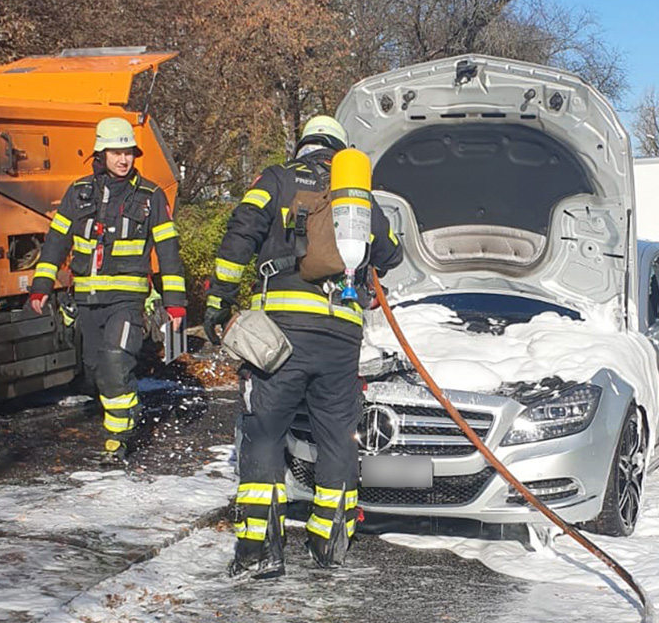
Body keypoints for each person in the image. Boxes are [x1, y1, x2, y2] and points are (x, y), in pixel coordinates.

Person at [203, 115, 403, 581]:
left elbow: (241, 233)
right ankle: (328, 544)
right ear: (339, 152)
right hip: (341, 336)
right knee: (336, 436)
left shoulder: (276, 179)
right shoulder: (357, 198)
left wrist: (218, 299)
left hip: (281, 334)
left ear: (304, 147)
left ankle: (259, 552)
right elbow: (391, 253)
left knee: (264, 432)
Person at [28, 117, 186, 462]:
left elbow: (169, 252)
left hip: (127, 301)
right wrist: (41, 285)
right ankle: (121, 414)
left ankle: (120, 436)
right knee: (97, 369)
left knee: (116, 363)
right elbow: (56, 241)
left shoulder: (150, 197)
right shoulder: (78, 192)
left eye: (128, 152)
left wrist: (175, 304)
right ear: (102, 152)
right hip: (87, 300)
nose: (123, 159)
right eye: (117, 151)